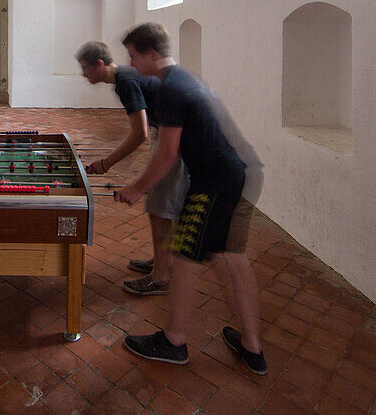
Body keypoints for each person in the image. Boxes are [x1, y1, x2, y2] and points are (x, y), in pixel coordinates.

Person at [114, 23, 267, 375]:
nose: (131, 63)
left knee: (184, 253)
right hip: (239, 173)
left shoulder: (170, 89)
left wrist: (137, 188)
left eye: (134, 55)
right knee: (230, 257)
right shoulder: (184, 79)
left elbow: (167, 153)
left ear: (152, 54)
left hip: (215, 181)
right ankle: (251, 345)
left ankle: (175, 341)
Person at [76, 41, 188, 296]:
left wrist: (106, 164)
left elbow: (140, 134)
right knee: (160, 206)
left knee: (159, 208)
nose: (83, 74)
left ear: (99, 65)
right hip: (171, 133)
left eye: (84, 68)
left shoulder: (125, 81)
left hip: (178, 139)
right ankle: (164, 261)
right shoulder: (124, 77)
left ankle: (160, 278)